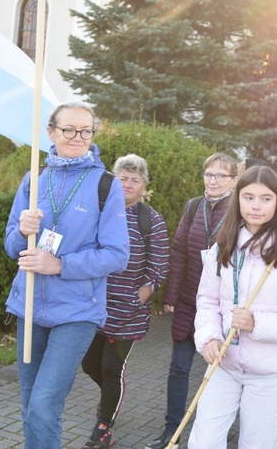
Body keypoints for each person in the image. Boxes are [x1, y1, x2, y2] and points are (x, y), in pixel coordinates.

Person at [4, 102, 130, 449]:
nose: (78, 138)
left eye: (86, 131)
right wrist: (21, 231)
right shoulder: (34, 177)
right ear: (51, 132)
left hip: (76, 312)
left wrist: (60, 265)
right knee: (31, 405)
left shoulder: (106, 185)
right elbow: (12, 245)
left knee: (44, 404)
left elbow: (117, 255)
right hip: (29, 307)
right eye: (69, 130)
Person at [188, 166, 277, 448]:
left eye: (265, 198)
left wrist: (256, 323)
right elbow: (207, 300)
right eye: (248, 197)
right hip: (223, 366)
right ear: (237, 200)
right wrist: (208, 336)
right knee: (203, 442)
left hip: (270, 375)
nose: (256, 205)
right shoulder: (221, 246)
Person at [146, 152, 238, 449]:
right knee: (179, 368)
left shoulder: (240, 210)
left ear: (233, 181)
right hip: (189, 300)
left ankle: (218, 431)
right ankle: (172, 430)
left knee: (223, 373)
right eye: (208, 174)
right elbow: (180, 250)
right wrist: (171, 295)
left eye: (220, 176)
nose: (213, 181)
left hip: (223, 308)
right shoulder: (193, 206)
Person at [80, 154, 170, 448]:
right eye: (123, 178)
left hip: (127, 312)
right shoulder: (99, 211)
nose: (129, 184)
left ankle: (104, 427)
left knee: (111, 369)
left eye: (136, 179)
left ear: (144, 185)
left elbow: (158, 267)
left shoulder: (151, 219)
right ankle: (111, 399)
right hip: (93, 306)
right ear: (113, 180)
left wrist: (138, 298)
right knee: (88, 364)